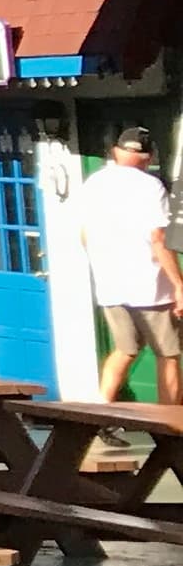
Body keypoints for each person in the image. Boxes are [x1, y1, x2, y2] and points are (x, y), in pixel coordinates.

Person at [75, 126, 178, 404]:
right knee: (167, 355)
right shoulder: (151, 186)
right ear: (149, 156)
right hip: (150, 286)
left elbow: (84, 234)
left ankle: (99, 409)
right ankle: (170, 426)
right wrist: (179, 285)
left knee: (125, 349)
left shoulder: (94, 182)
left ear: (116, 152)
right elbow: (158, 239)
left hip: (110, 285)